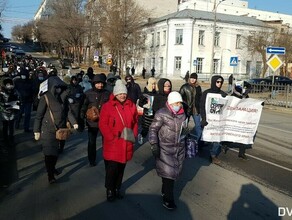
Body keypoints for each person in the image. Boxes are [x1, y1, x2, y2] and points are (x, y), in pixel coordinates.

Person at [33, 76, 79, 184]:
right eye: (56, 87)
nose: (58, 89)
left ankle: (52, 168)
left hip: (60, 129)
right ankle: (50, 175)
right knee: (49, 153)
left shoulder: (64, 98)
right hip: (47, 129)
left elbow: (68, 112)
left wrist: (74, 122)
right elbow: (39, 115)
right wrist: (36, 131)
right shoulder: (46, 97)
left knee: (55, 153)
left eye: (60, 87)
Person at [99, 79, 138, 202]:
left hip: (126, 142)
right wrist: (111, 137)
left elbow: (135, 122)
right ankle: (110, 190)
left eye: (124, 93)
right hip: (113, 143)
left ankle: (117, 188)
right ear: (115, 94)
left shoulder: (131, 106)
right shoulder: (107, 106)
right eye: (120, 93)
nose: (122, 95)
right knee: (112, 169)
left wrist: (134, 134)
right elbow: (103, 124)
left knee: (121, 168)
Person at [148, 91, 187, 210]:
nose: (178, 105)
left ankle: (165, 191)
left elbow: (184, 130)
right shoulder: (161, 113)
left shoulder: (183, 114)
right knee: (169, 175)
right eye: (176, 103)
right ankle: (168, 200)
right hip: (165, 148)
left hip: (179, 149)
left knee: (173, 175)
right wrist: (154, 144)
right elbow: (153, 129)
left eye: (180, 103)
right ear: (170, 103)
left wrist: (187, 138)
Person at [81, 74, 110, 166]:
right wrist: (82, 114)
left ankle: (107, 158)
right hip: (92, 122)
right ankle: (91, 160)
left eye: (101, 83)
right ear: (94, 83)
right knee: (92, 142)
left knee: (106, 142)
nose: (100, 85)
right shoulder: (88, 93)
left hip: (104, 122)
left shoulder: (107, 93)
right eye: (98, 83)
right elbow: (84, 105)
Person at [200, 75, 227, 165]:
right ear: (213, 82)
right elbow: (202, 106)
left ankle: (213, 155)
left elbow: (230, 107)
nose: (219, 84)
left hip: (218, 122)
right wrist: (203, 118)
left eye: (221, 82)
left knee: (217, 139)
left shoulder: (223, 94)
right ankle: (199, 147)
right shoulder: (206, 93)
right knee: (204, 137)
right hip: (208, 120)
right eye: (217, 82)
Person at [222, 83, 253, 160]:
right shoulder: (233, 95)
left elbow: (250, 105)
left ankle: (241, 153)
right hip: (233, 119)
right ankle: (225, 145)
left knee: (243, 135)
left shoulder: (245, 96)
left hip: (242, 119)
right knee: (230, 134)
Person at [179, 73, 202, 144]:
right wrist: (184, 105)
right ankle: (181, 140)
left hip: (196, 110)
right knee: (183, 126)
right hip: (187, 109)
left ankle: (199, 142)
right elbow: (180, 97)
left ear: (196, 79)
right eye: (191, 78)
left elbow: (200, 98)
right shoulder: (184, 87)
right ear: (189, 78)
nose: (193, 79)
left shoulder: (198, 87)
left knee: (198, 126)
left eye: (194, 78)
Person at [137, 77, 158, 144]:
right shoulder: (144, 94)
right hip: (147, 114)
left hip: (155, 113)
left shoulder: (156, 93)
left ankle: (153, 141)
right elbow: (140, 103)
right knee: (145, 128)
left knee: (154, 129)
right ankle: (141, 136)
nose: (153, 86)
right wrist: (145, 105)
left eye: (154, 84)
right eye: (152, 84)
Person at [0, 78, 20, 145]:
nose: (9, 86)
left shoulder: (15, 91)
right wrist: (4, 106)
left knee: (11, 127)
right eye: (7, 85)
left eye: (10, 84)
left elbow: (19, 99)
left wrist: (17, 104)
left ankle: (11, 140)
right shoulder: (1, 92)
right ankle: (5, 139)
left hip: (12, 111)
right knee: (5, 126)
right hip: (4, 112)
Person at [14, 68, 34, 132]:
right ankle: (16, 124)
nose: (23, 76)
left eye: (24, 75)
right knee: (19, 114)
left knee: (27, 115)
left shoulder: (30, 81)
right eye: (22, 75)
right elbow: (15, 90)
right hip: (20, 101)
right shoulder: (17, 81)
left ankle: (26, 128)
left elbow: (33, 90)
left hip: (28, 100)